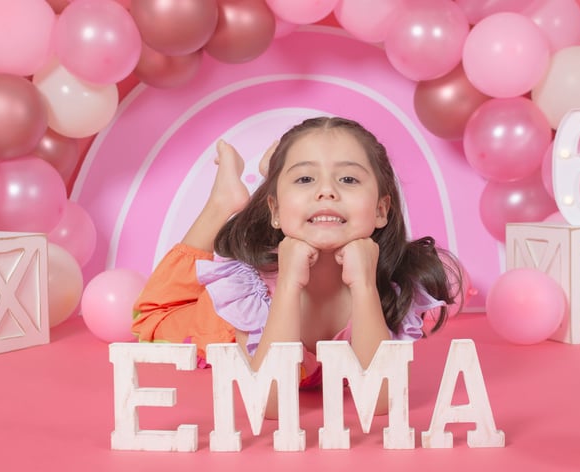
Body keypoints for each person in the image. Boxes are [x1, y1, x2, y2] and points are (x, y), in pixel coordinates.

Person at [132, 116, 460, 413]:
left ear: (381, 210)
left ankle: (277, 176)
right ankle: (223, 202)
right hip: (211, 323)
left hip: (327, 259)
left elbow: (378, 401)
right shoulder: (249, 293)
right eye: (305, 179)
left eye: (348, 179)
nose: (327, 191)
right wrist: (288, 283)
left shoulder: (392, 285)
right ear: (274, 212)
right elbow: (271, 405)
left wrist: (363, 287)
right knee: (151, 318)